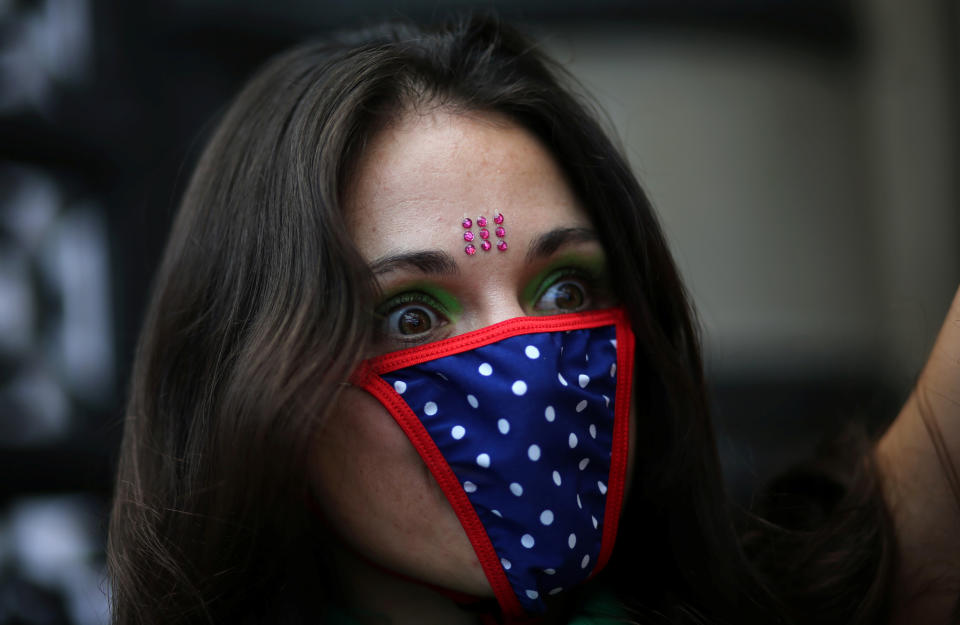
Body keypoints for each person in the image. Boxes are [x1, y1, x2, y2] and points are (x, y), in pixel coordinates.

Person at [106, 14, 960, 625]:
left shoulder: (786, 600)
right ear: (259, 380)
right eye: (410, 314)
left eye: (564, 291)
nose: (531, 368)